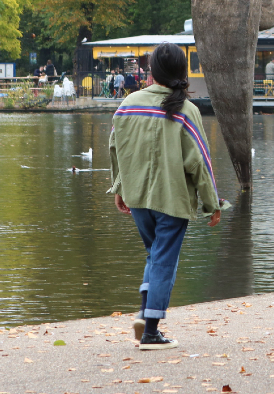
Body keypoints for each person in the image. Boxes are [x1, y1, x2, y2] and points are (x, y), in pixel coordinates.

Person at [109, 43, 222, 351]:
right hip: (171, 200)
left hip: (139, 199)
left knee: (155, 255)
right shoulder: (186, 110)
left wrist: (119, 187)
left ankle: (146, 317)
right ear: (182, 73)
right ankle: (150, 329)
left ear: (152, 72)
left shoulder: (129, 103)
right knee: (164, 260)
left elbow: (117, 147)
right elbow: (199, 160)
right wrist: (213, 203)